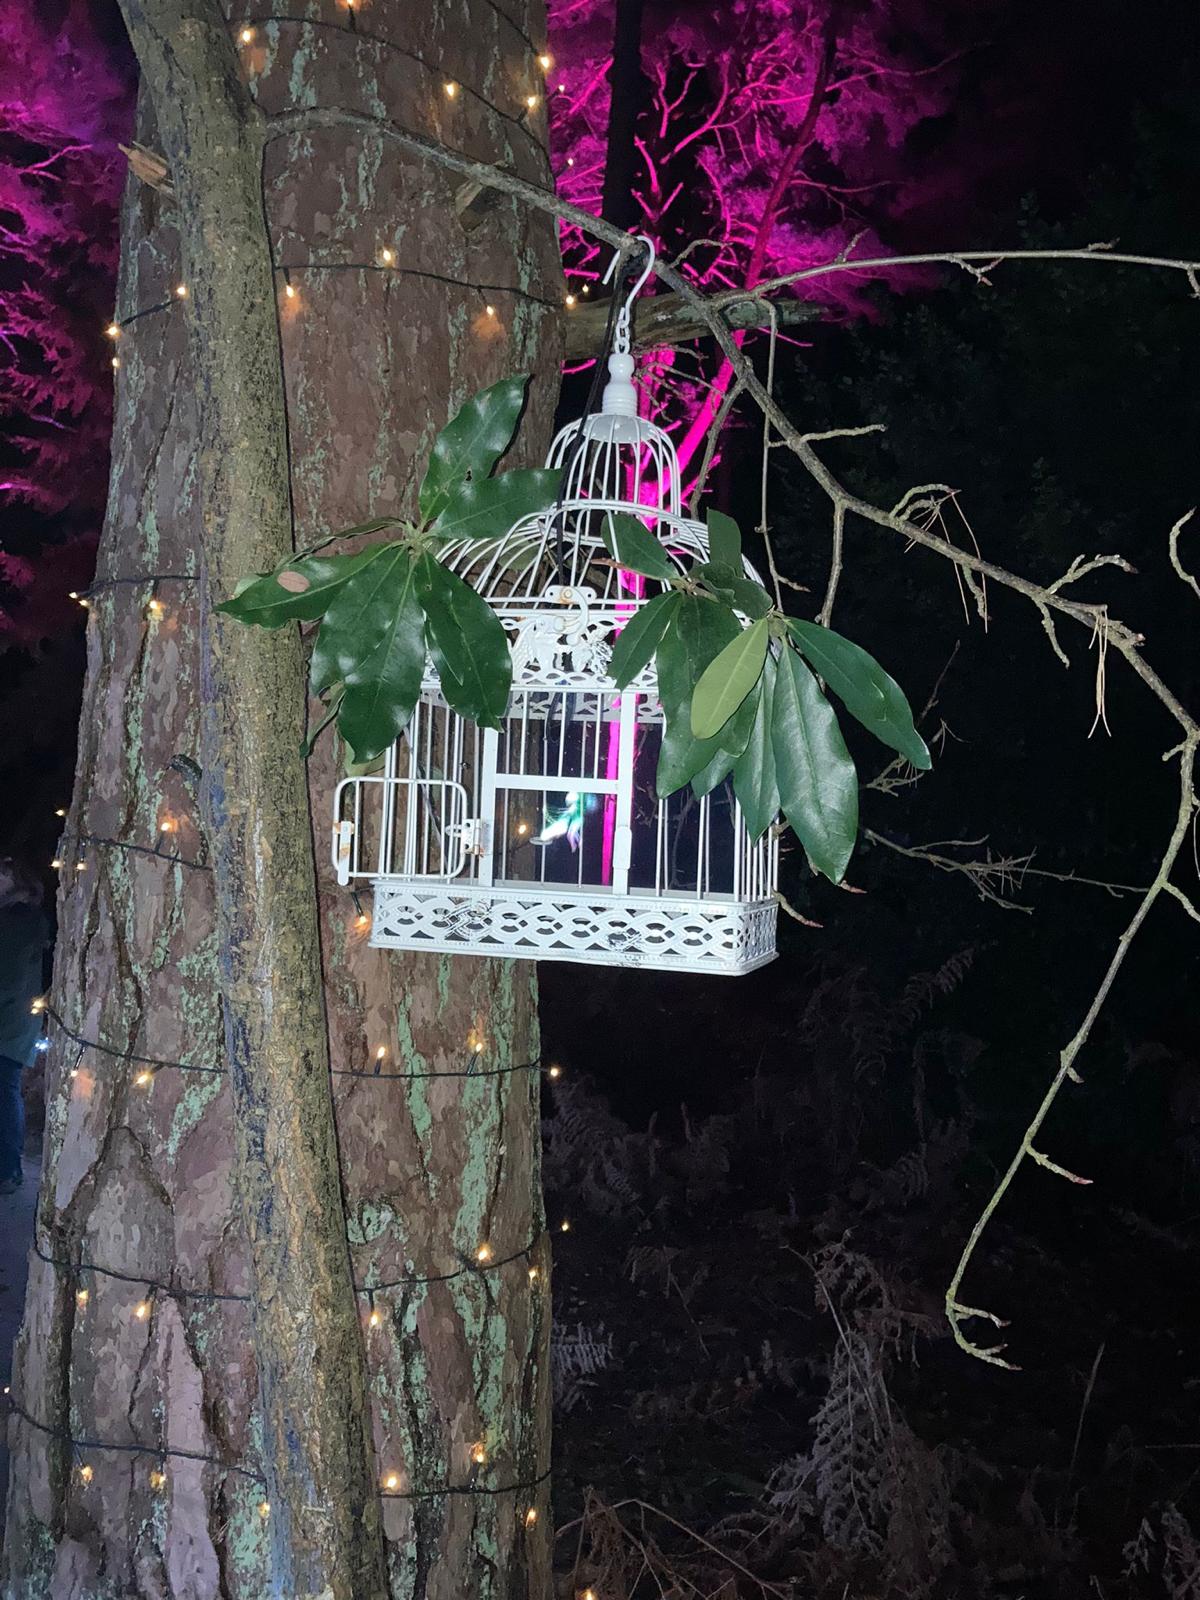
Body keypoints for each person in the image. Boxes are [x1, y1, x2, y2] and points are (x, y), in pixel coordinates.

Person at [0, 861, 48, 1195]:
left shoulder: (20, 921)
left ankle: (9, 1170)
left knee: (4, 1091)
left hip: (10, 1025)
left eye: (3, 873)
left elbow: (12, 979)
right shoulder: (16, 919)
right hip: (16, 1022)